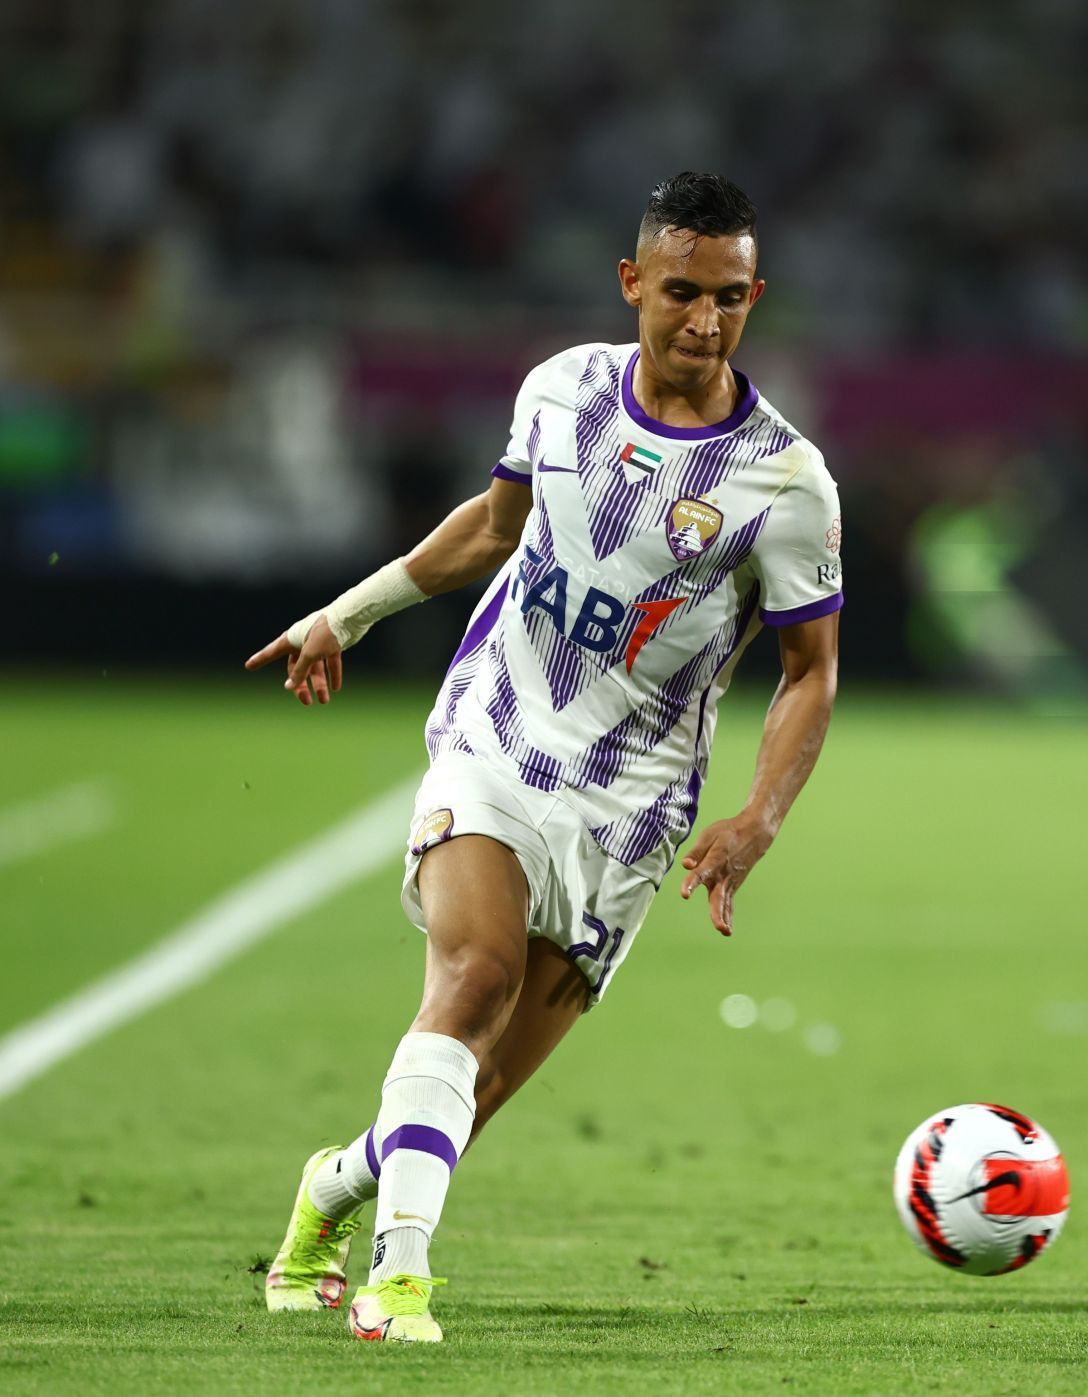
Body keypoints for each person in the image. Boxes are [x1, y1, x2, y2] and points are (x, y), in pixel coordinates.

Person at [244, 172, 844, 1343]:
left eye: (729, 297)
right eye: (681, 292)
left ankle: (333, 1184)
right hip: (500, 734)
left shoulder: (789, 481)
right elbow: (496, 525)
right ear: (633, 282)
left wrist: (760, 816)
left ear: (755, 295)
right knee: (470, 981)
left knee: (483, 1083)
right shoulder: (561, 392)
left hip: (631, 810)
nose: (704, 320)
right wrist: (347, 613)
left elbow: (810, 669)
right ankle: (398, 1278)